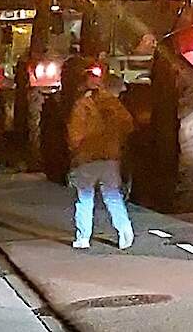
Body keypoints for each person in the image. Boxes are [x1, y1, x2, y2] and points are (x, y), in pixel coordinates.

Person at [65, 62, 135, 250]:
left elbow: (74, 134)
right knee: (113, 196)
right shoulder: (113, 104)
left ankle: (83, 238)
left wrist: (75, 152)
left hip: (87, 159)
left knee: (85, 198)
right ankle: (125, 233)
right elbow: (128, 125)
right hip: (110, 158)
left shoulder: (82, 105)